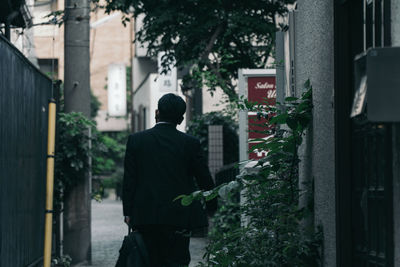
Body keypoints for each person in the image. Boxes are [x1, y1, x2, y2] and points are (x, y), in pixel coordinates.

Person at [122, 93, 217, 267]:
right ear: (181, 119)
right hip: (179, 218)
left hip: (145, 216)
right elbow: (204, 178)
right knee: (176, 261)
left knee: (146, 260)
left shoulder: (136, 140)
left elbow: (129, 179)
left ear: (156, 113)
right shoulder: (191, 143)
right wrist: (212, 208)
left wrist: (128, 211)